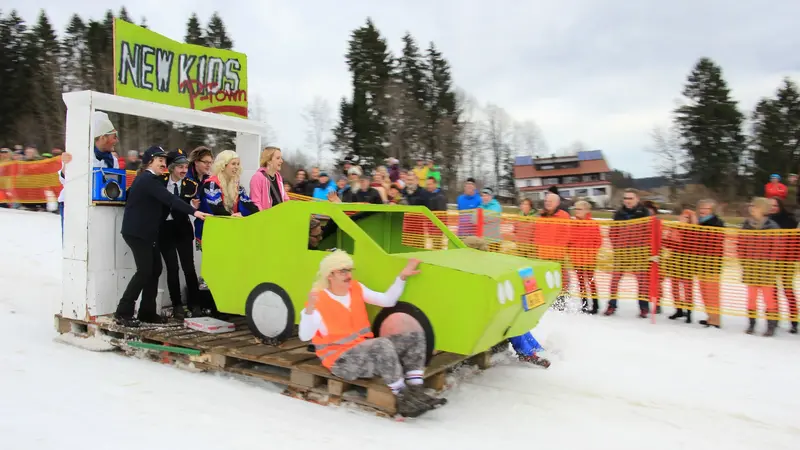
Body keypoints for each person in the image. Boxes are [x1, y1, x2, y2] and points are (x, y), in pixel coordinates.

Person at [299, 250, 446, 417]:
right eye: (343, 271)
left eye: (349, 270)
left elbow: (387, 300)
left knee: (413, 334)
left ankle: (416, 390)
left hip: (365, 352)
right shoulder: (319, 301)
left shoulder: (356, 288)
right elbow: (305, 336)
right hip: (342, 362)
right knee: (381, 344)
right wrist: (309, 310)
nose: (348, 275)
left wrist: (402, 277)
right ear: (329, 275)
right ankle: (403, 397)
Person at [115, 146, 210, 327]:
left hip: (148, 233)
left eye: (165, 161)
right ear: (150, 161)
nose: (163, 164)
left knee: (155, 269)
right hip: (137, 233)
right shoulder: (148, 180)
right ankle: (123, 312)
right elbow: (169, 199)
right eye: (160, 160)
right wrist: (194, 212)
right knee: (144, 271)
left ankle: (147, 312)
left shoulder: (151, 180)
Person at [57, 112, 119, 240]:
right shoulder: (79, 153)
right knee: (74, 243)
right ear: (102, 138)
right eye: (114, 137)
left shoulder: (112, 159)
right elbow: (65, 180)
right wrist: (66, 165)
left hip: (98, 207)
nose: (116, 141)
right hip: (75, 206)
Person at [158, 150, 202, 319]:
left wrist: (193, 205)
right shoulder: (160, 182)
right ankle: (177, 304)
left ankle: (195, 304)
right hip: (165, 229)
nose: (184, 170)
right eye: (179, 167)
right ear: (171, 168)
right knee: (172, 268)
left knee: (189, 268)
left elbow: (187, 204)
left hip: (182, 229)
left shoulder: (190, 185)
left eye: (185, 167)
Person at [196, 150, 259, 245]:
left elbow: (253, 208)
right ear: (223, 165)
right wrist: (236, 219)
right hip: (211, 231)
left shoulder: (237, 186)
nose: (236, 167)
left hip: (230, 229)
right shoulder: (211, 184)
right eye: (233, 164)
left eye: (238, 164)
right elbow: (217, 210)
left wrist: (242, 214)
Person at [605, 189, 651, 317]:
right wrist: (617, 246)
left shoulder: (644, 213)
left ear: (637, 199)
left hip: (638, 253)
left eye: (630, 198)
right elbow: (612, 232)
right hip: (621, 252)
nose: (628, 201)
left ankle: (643, 307)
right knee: (614, 280)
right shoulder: (619, 213)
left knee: (642, 281)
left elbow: (649, 232)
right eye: (626, 198)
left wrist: (645, 249)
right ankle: (611, 305)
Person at [738, 197, 780, 336]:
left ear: (762, 209)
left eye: (754, 206)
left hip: (766, 268)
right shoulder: (746, 224)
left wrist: (771, 265)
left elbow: (776, 248)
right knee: (751, 298)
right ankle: (752, 324)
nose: (751, 208)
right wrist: (743, 261)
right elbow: (741, 243)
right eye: (751, 205)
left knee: (769, 299)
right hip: (750, 267)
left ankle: (771, 326)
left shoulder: (772, 226)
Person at [694, 199, 726, 329]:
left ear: (712, 210)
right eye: (701, 208)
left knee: (712, 292)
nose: (702, 211)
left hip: (712, 263)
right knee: (704, 291)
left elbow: (712, 241)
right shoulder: (699, 222)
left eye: (706, 209)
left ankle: (715, 319)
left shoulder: (717, 223)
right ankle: (710, 316)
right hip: (701, 262)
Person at [768, 196, 798, 333]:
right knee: (772, 292)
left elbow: (794, 242)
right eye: (770, 205)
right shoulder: (766, 220)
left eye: (775, 205)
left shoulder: (789, 220)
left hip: (786, 260)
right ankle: (774, 319)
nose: (773, 207)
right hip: (770, 261)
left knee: (787, 290)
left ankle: (794, 320)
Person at [569, 200, 602, 314]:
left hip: (589, 259)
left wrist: (591, 254)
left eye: (579, 209)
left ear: (587, 210)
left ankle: (595, 305)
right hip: (577, 258)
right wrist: (571, 252)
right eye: (576, 209)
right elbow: (569, 240)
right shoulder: (573, 224)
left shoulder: (593, 224)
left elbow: (598, 241)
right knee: (581, 282)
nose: (577, 211)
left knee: (591, 282)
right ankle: (584, 304)